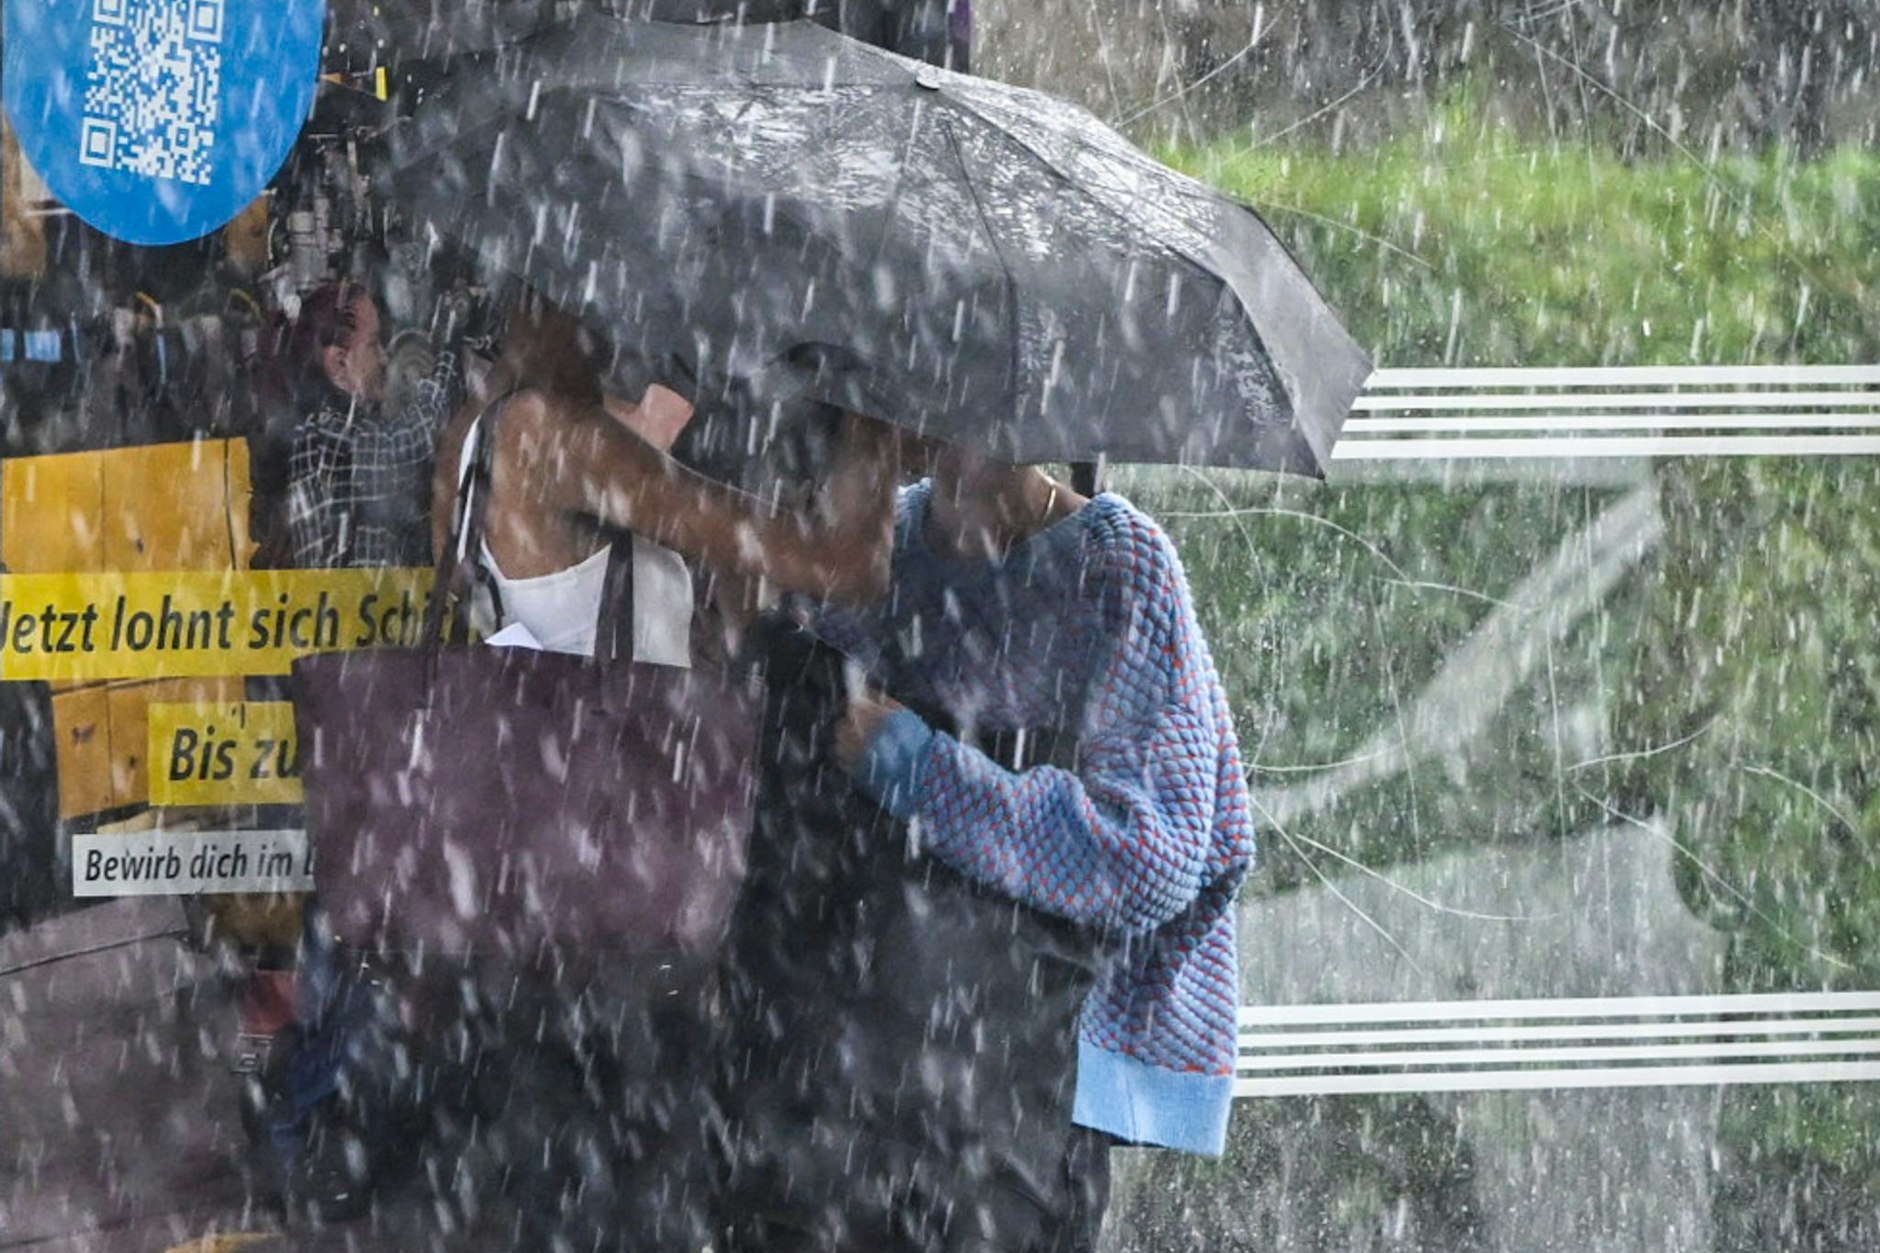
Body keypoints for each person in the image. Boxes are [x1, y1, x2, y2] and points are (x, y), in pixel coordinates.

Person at [777, 442, 1254, 1250]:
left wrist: (925, 774)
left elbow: (1153, 859)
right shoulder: (875, 550)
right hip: (851, 1088)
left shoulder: (1117, 564)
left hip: (1021, 1100)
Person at [284, 281, 462, 570]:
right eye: (373, 344)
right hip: (345, 610)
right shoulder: (324, 438)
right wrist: (449, 349)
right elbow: (415, 440)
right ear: (340, 362)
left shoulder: (338, 427)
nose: (384, 356)